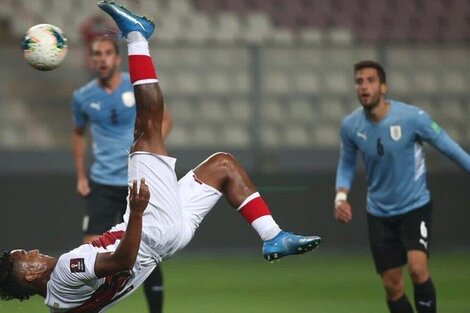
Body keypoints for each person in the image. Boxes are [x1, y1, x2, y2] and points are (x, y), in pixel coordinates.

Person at [0, 2, 321, 312]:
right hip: (149, 228)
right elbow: (122, 261)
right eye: (26, 255)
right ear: (29, 275)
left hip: (165, 241)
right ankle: (137, 36)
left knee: (223, 166)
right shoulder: (68, 269)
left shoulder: (58, 305)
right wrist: (137, 212)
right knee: (147, 127)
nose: (35, 251)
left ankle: (273, 236)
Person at [334, 60, 470, 313]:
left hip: (414, 206)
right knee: (392, 286)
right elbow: (347, 163)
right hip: (379, 213)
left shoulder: (412, 118)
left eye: (370, 80)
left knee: (418, 269)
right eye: (359, 81)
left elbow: (450, 149)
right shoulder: (351, 126)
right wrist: (340, 198)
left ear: (383, 87)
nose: (364, 86)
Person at [71, 34, 171, 313]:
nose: (101, 59)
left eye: (106, 53)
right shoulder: (82, 97)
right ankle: (91, 308)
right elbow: (78, 134)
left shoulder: (134, 85)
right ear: (92, 61)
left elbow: (164, 119)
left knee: (146, 250)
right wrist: (81, 175)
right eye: (96, 54)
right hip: (102, 183)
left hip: (135, 181)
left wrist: (148, 152)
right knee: (89, 252)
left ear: (116, 58)